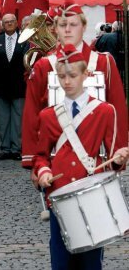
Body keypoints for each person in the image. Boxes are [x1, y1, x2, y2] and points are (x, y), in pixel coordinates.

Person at [34, 44, 129, 270]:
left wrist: (119, 157)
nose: (67, 81)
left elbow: (115, 155)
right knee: (61, 261)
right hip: (60, 194)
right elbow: (41, 157)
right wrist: (44, 172)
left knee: (91, 263)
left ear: (85, 75)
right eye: (62, 76)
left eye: (73, 75)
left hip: (92, 195)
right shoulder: (48, 115)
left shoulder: (105, 111)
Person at [22, 0, 128, 172]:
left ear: (84, 27)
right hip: (57, 164)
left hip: (98, 163)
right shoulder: (43, 66)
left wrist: (118, 154)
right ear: (55, 29)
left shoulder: (104, 62)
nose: (68, 29)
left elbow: (118, 110)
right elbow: (31, 114)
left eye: (74, 24)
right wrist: (35, 164)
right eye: (63, 24)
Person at [0, 14, 29, 160]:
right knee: (3, 119)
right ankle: (5, 148)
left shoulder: (25, 40)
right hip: (0, 85)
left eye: (12, 21)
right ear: (2, 25)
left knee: (18, 119)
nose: (9, 24)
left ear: (17, 23)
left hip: (19, 85)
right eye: (6, 22)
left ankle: (16, 149)